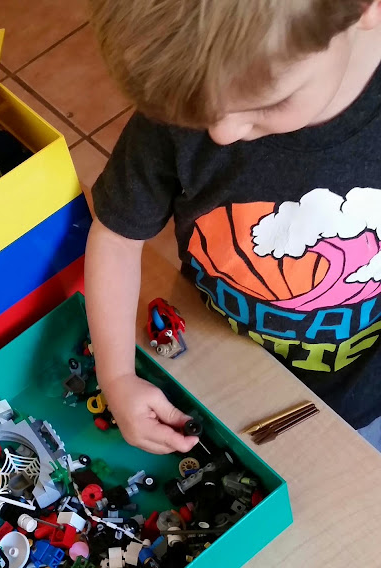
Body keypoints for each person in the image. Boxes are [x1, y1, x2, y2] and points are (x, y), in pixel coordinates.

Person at [86, 0, 381, 453]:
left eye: (269, 102)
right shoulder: (194, 87)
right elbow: (116, 239)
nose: (220, 134)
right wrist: (118, 376)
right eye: (198, 116)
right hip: (219, 365)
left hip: (365, 397)